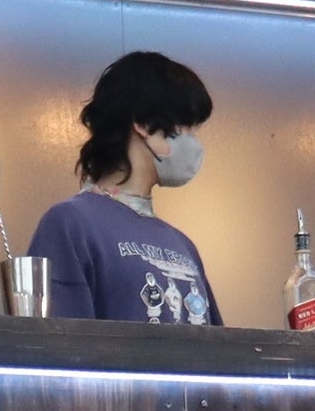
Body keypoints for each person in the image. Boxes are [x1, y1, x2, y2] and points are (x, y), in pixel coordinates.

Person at [28, 51, 220, 324]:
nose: (193, 142)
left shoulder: (184, 246)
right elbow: (62, 341)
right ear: (143, 123)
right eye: (186, 126)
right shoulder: (70, 224)